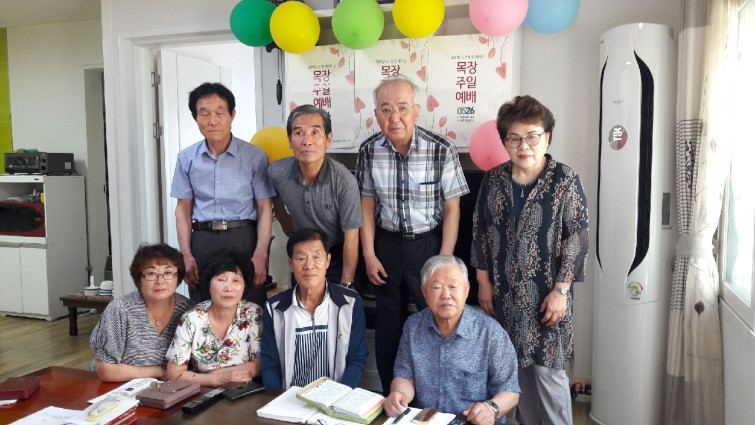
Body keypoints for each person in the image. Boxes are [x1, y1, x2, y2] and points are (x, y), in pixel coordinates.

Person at [471, 95, 589, 425]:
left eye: (532, 136)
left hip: (547, 298)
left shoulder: (565, 180)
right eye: (515, 138)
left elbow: (576, 239)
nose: (524, 146)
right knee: (513, 373)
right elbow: (480, 230)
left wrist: (561, 291)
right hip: (504, 295)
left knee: (549, 376)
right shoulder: (493, 180)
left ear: (547, 137)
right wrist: (482, 282)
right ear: (505, 142)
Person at [356, 75, 469, 393]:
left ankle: (437, 395)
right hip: (387, 245)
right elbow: (366, 205)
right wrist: (369, 254)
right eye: (386, 109)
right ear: (376, 114)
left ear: (417, 111)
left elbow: (452, 210)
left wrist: (444, 259)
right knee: (388, 324)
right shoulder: (369, 150)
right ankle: (391, 396)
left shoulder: (441, 149)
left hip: (428, 246)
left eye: (402, 108)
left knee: (438, 319)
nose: (395, 117)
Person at [171, 82, 275, 307]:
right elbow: (183, 209)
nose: (212, 120)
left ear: (232, 115)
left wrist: (261, 254)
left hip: (243, 238)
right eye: (204, 113)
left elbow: (265, 207)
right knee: (203, 307)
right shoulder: (186, 158)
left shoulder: (255, 157)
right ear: (195, 118)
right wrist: (186, 255)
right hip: (203, 239)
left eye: (219, 113)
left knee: (249, 306)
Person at [385, 255, 520, 425]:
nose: (446, 295)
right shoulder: (413, 326)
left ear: (466, 289)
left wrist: (491, 409)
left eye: (453, 287)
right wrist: (399, 395)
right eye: (437, 287)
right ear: (424, 292)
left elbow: (510, 390)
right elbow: (405, 376)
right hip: (425, 420)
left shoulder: (491, 332)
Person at [261, 228, 368, 389]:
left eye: (316, 257)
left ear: (328, 261)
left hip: (336, 398)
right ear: (290, 264)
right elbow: (270, 363)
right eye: (301, 258)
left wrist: (341, 395)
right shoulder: (274, 309)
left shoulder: (350, 304)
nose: (309, 265)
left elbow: (357, 358)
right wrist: (277, 399)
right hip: (288, 398)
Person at [268, 104, 362, 286]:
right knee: (300, 302)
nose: (307, 141)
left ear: (328, 139)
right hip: (302, 252)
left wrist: (346, 284)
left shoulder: (344, 181)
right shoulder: (277, 172)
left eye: (315, 132)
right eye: (299, 133)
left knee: (337, 301)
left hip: (337, 253)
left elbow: (351, 238)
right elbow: (275, 200)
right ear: (289, 140)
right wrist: (287, 226)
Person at [90, 243, 194, 382]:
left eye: (168, 273)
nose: (160, 281)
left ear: (178, 277)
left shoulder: (190, 311)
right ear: (139, 278)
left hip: (169, 388)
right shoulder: (120, 309)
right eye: (151, 273)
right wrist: (158, 371)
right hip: (117, 386)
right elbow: (105, 370)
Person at [166, 248, 262, 387]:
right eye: (221, 279)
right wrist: (212, 379)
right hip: (202, 391)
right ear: (209, 283)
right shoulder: (192, 319)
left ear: (244, 286)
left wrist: (226, 375)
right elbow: (174, 374)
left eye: (236, 280)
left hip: (245, 391)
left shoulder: (253, 314)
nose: (228, 288)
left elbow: (260, 365)